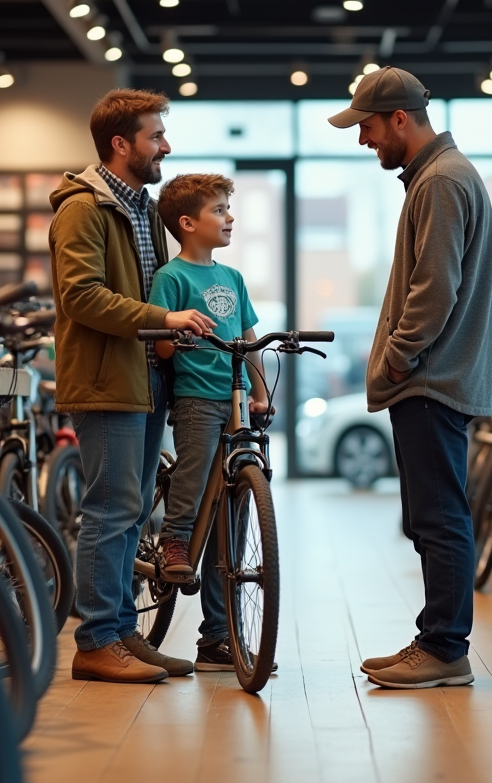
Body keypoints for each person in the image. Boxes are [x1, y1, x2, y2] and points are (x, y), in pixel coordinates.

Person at [328, 67, 492, 689]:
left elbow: (435, 288)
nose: (363, 140)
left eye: (367, 127)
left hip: (432, 378)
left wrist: (400, 358)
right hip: (435, 377)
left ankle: (446, 648)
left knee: (440, 516)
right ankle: (436, 637)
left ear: (401, 118)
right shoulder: (436, 178)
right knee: (430, 515)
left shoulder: (443, 181)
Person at [49, 88, 216, 684]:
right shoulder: (83, 209)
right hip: (105, 380)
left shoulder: (143, 207)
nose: (165, 146)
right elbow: (81, 295)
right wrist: (162, 320)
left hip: (146, 377)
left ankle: (122, 632)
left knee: (132, 512)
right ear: (121, 144)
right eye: (155, 136)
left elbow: (156, 286)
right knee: (109, 510)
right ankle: (95, 641)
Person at [147, 173, 272, 671]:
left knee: (231, 525)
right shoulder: (171, 278)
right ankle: (175, 538)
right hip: (197, 398)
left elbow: (250, 337)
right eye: (219, 210)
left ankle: (217, 638)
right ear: (187, 222)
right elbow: (158, 343)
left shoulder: (233, 278)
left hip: (237, 401)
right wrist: (178, 334)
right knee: (195, 476)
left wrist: (261, 393)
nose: (230, 217)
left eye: (228, 209)